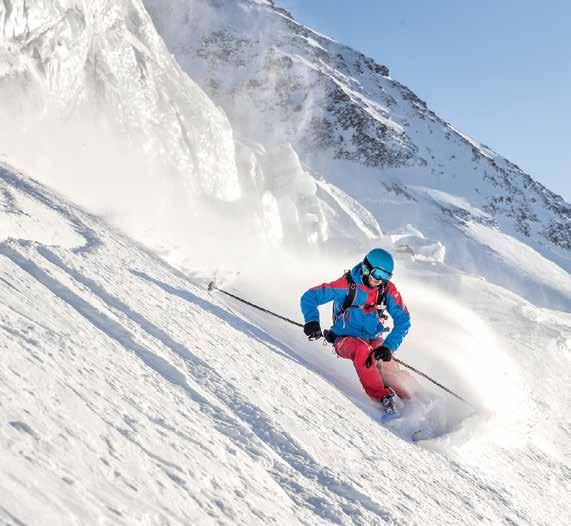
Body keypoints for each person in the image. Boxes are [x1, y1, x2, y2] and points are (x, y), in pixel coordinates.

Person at [300, 248, 414, 420]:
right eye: (378, 275)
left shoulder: (387, 290)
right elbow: (310, 297)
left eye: (386, 276)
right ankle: (383, 397)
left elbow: (403, 320)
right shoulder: (346, 285)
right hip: (344, 339)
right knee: (363, 351)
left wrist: (388, 347)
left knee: (385, 362)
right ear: (367, 268)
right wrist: (312, 321)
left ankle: (414, 395)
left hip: (373, 337)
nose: (381, 281)